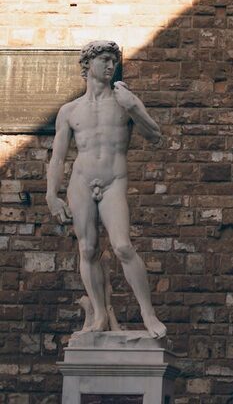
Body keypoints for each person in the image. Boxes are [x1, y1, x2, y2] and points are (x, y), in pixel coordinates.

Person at [46, 41, 166, 338]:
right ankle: (99, 314)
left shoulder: (124, 100)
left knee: (123, 245)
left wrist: (134, 107)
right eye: (104, 60)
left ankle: (147, 314)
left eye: (114, 60)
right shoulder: (70, 110)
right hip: (81, 181)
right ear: (88, 65)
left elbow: (155, 136)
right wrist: (51, 195)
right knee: (87, 249)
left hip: (114, 180)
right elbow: (58, 156)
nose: (111, 66)